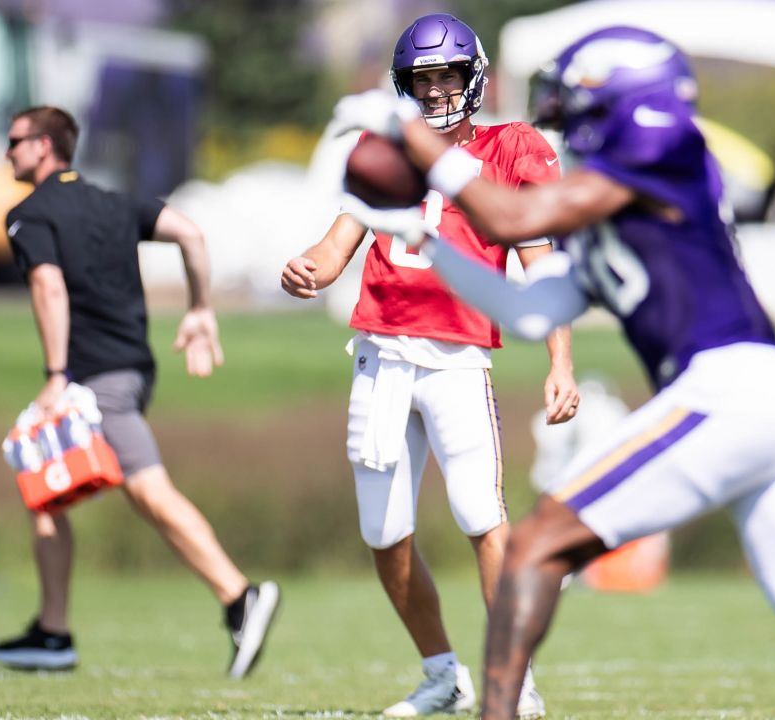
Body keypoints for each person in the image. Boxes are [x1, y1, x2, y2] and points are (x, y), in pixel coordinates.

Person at [329, 26, 775, 719]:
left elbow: (513, 214)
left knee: (534, 545)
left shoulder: (663, 148)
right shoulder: (607, 202)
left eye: (583, 106)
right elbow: (530, 311)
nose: (574, 126)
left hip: (731, 391)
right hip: (770, 410)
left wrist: (409, 138)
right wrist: (425, 243)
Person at [281, 14, 577, 718]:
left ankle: (514, 677)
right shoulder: (384, 152)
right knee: (385, 537)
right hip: (381, 356)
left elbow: (545, 270)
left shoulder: (511, 149)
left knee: (482, 516)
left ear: (473, 78)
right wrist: (307, 271)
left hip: (458, 359)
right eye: (424, 79)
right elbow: (335, 247)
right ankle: (442, 673)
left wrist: (560, 360)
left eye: (448, 75)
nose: (438, 90)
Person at [0, 106, 280, 679]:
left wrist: (54, 374)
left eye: (15, 141)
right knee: (43, 486)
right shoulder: (114, 201)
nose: (7, 151)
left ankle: (240, 595)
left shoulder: (30, 214)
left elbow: (48, 286)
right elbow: (190, 232)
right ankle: (51, 632)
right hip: (131, 370)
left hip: (96, 381)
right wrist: (200, 308)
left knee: (149, 491)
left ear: (44, 146)